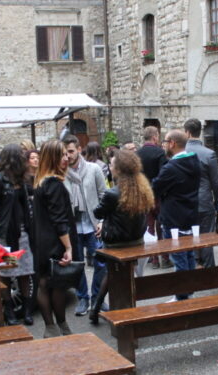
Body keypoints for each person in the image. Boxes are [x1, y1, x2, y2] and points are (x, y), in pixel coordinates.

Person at [89, 150, 155, 323]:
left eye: (111, 165)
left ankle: (100, 308)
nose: (109, 167)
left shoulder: (112, 193)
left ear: (118, 170)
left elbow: (98, 211)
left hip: (117, 242)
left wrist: (104, 220)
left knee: (112, 274)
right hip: (137, 241)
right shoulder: (142, 187)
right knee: (124, 274)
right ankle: (104, 308)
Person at [32, 139, 77, 338]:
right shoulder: (54, 185)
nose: (66, 158)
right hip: (55, 242)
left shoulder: (40, 182)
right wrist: (68, 247)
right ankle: (60, 326)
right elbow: (60, 221)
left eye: (67, 154)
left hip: (41, 242)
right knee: (58, 285)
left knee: (44, 284)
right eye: (62, 155)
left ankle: (51, 327)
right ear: (52, 158)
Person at [0, 144, 35, 326]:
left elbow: (26, 206)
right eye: (21, 156)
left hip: (22, 232)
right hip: (5, 235)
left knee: (25, 273)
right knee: (6, 274)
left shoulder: (20, 180)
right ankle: (9, 311)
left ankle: (27, 311)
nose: (24, 159)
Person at [153, 129, 200, 301]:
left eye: (165, 141)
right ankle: (188, 290)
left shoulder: (171, 167)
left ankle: (182, 295)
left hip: (173, 217)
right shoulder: (195, 161)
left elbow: (155, 187)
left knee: (178, 255)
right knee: (188, 255)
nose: (163, 145)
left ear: (172, 143)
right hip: (191, 214)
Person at [62, 135, 106, 316]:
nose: (68, 156)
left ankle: (97, 297)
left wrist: (102, 221)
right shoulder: (61, 172)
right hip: (73, 226)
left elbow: (104, 194)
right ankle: (83, 298)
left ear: (79, 150)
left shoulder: (93, 168)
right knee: (78, 263)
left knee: (101, 263)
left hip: (93, 223)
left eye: (71, 151)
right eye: (65, 153)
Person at [184, 118, 218, 268]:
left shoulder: (181, 153)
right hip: (205, 201)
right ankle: (209, 272)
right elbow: (216, 182)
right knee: (207, 238)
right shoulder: (209, 154)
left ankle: (192, 270)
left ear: (187, 132)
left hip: (186, 202)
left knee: (189, 238)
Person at [137, 126, 171, 268]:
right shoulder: (160, 153)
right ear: (155, 137)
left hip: (144, 196)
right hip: (158, 195)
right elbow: (163, 175)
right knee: (161, 226)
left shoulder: (137, 153)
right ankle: (165, 257)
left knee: (149, 228)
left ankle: (154, 258)